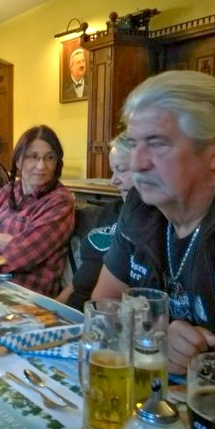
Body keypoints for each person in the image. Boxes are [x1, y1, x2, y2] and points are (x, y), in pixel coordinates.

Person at [91, 70, 215, 375]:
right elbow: (104, 302)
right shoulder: (141, 206)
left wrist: (197, 353)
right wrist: (155, 336)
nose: (137, 162)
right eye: (134, 144)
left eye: (157, 144)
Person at [0, 125, 75, 297]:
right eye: (33, 157)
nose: (41, 166)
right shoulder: (9, 191)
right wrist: (4, 240)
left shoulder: (60, 202)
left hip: (25, 298)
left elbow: (20, 254)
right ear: (19, 160)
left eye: (49, 158)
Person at [56, 133, 134, 310]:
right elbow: (84, 273)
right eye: (112, 171)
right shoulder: (109, 212)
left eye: (121, 169)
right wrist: (57, 306)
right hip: (74, 310)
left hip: (101, 317)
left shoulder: (148, 224)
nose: (114, 180)